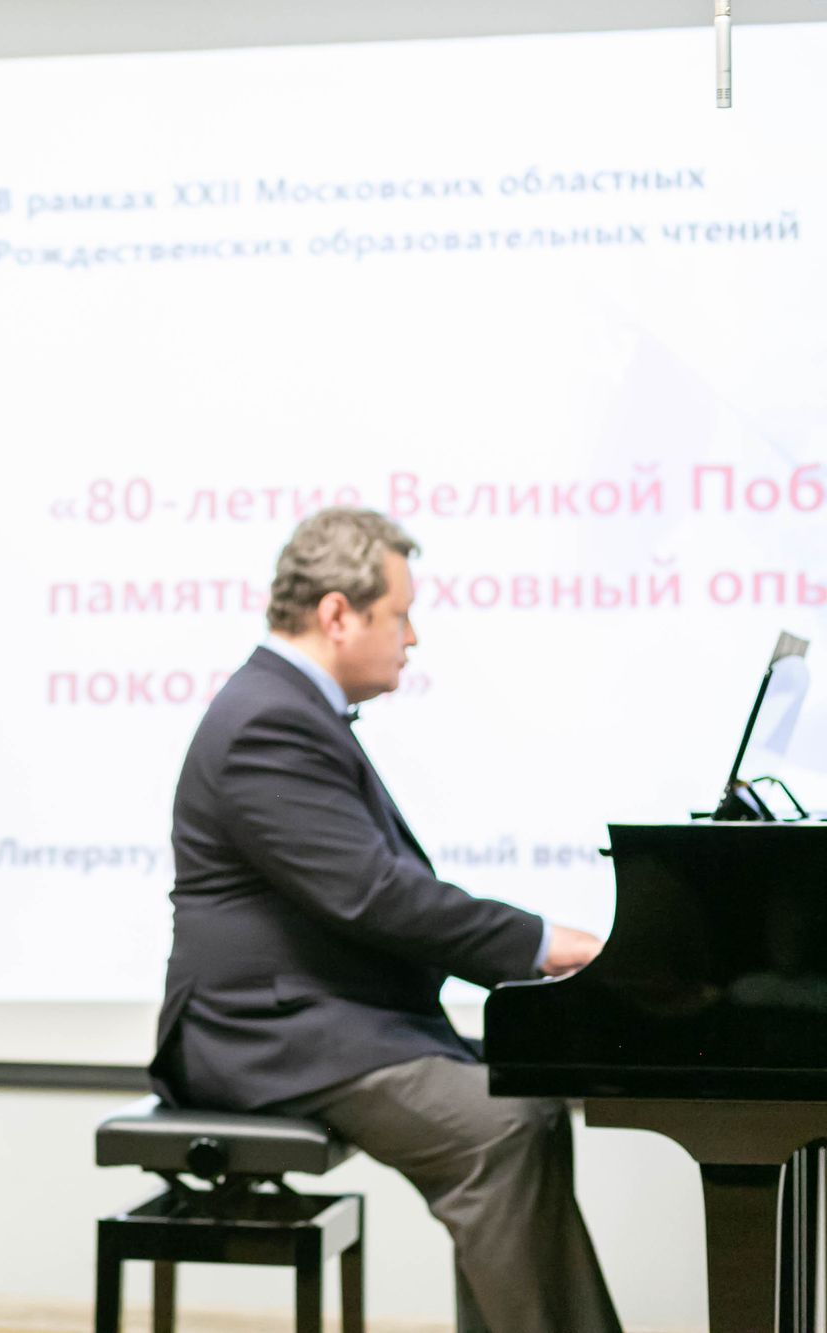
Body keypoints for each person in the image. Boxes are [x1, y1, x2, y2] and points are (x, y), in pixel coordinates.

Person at [150, 506, 621, 1332]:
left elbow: (371, 892)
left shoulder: (288, 708)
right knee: (502, 1128)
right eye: (400, 614)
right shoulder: (268, 720)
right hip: (262, 1035)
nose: (414, 635)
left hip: (318, 1020)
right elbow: (373, 894)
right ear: (338, 613)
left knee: (527, 1105)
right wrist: (543, 945)